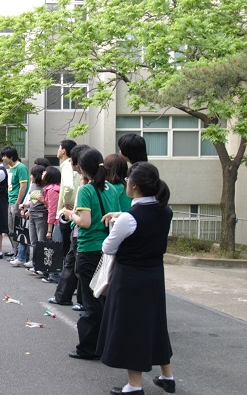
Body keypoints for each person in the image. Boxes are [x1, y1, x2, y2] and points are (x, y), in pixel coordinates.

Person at [98, 162, 174, 395]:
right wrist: (121, 216)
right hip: (155, 274)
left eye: (128, 179)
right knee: (156, 324)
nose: (126, 182)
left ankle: (134, 385)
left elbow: (108, 247)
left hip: (130, 278)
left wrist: (115, 223)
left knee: (132, 328)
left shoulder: (129, 219)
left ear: (135, 186)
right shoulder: (166, 210)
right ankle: (167, 376)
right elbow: (144, 218)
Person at [63, 148, 121, 361]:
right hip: (107, 248)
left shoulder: (85, 190)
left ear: (83, 169)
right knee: (103, 297)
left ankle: (88, 348)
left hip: (88, 249)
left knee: (90, 300)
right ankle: (105, 344)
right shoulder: (110, 188)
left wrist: (70, 214)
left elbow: (85, 222)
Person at [50, 140, 83, 305]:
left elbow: (69, 188)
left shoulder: (67, 166)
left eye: (59, 147)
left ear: (63, 150)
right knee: (71, 253)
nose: (57, 150)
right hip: (75, 212)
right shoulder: (70, 166)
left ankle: (65, 291)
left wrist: (66, 203)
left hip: (68, 214)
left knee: (69, 254)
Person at [1, 146, 29, 264]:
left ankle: (22, 256)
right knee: (11, 229)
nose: (3, 158)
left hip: (17, 203)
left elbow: (23, 186)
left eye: (4, 156)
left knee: (20, 230)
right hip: (11, 201)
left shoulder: (21, 167)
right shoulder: (10, 168)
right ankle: (16, 253)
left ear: (11, 156)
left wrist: (18, 203)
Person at [17, 165, 48, 268]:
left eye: (32, 175)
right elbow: (34, 201)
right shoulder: (34, 185)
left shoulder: (46, 187)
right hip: (32, 215)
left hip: (41, 216)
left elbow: (47, 203)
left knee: (41, 240)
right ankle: (34, 261)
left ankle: (40, 264)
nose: (30, 176)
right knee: (33, 241)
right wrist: (25, 205)